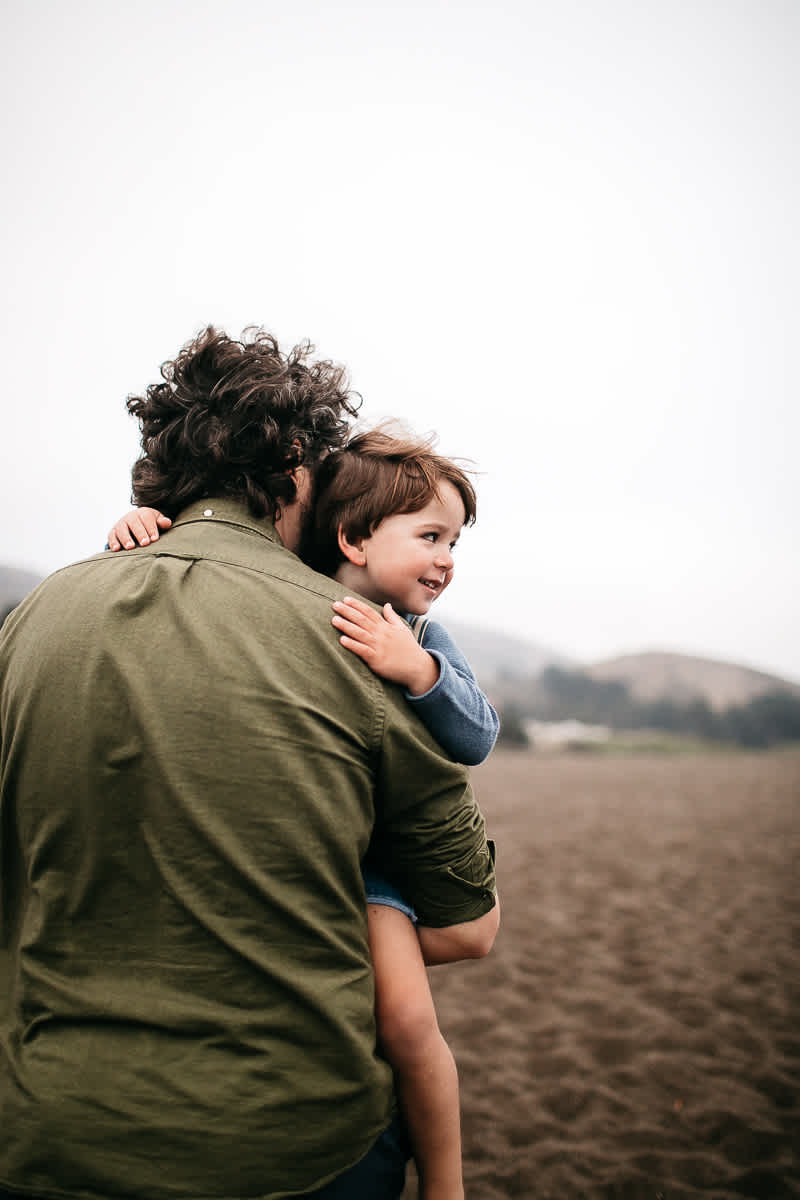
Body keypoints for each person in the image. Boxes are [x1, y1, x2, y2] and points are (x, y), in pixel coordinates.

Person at [0, 327, 499, 1200]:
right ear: (298, 463)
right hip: (290, 1140)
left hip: (46, 1129)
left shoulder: (34, 615)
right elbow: (470, 920)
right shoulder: (356, 640)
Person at [108, 429, 500, 1199]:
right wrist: (143, 525)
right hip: (279, 844)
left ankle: (446, 1183)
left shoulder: (418, 632)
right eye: (431, 536)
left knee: (409, 1024)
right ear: (351, 536)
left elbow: (477, 734)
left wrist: (418, 670)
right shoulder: (285, 588)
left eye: (455, 540)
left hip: (370, 865)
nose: (450, 557)